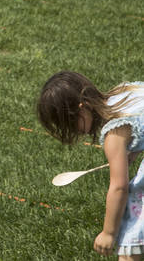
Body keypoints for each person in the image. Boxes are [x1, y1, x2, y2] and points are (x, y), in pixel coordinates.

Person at [36, 72, 144, 257]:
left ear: (82, 108)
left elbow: (119, 187)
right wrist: (134, 149)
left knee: (136, 206)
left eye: (70, 123)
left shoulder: (114, 135)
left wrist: (108, 233)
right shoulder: (124, 91)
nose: (74, 130)